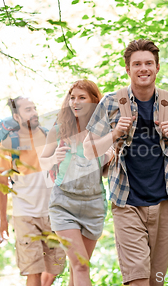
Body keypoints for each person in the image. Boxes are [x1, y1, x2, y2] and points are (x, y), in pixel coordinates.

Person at [83, 39, 168, 286]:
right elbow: (88, 149)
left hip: (166, 201)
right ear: (128, 70)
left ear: (157, 67)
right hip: (127, 202)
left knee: (156, 280)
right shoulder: (112, 103)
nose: (143, 68)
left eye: (149, 63)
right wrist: (114, 134)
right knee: (138, 279)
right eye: (137, 64)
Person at [40, 80, 112, 286]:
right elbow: (43, 162)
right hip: (64, 203)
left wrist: (109, 156)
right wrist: (54, 158)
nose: (75, 102)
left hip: (94, 206)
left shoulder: (104, 131)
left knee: (76, 270)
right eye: (72, 97)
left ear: (94, 102)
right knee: (81, 266)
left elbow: (106, 172)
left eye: (82, 97)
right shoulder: (59, 129)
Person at [0, 97, 66, 286]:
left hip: (51, 212)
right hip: (24, 214)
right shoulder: (9, 144)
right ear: (17, 116)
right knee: (33, 271)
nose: (34, 112)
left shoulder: (48, 136)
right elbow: (1, 184)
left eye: (34, 108)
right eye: (28, 110)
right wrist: (3, 220)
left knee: (55, 268)